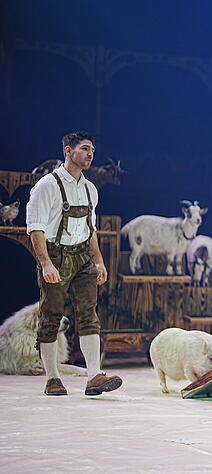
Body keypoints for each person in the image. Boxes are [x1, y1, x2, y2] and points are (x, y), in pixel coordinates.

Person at [26, 131, 122, 396]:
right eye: (85, 149)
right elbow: (35, 229)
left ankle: (94, 376)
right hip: (56, 256)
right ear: (68, 151)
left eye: (92, 150)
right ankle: (52, 378)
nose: (90, 154)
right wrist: (46, 264)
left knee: (89, 314)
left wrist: (99, 261)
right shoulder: (47, 185)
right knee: (52, 316)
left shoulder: (90, 189)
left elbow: (91, 229)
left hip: (83, 257)